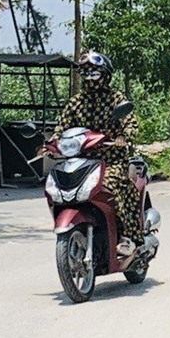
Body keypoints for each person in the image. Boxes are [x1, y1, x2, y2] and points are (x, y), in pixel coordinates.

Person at [54, 50, 144, 254]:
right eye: (85, 74)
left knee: (111, 186)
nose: (90, 79)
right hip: (82, 162)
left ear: (105, 75)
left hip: (111, 160)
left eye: (94, 74)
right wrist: (50, 144)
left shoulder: (115, 98)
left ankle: (129, 236)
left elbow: (130, 123)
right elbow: (61, 128)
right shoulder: (76, 102)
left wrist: (124, 137)